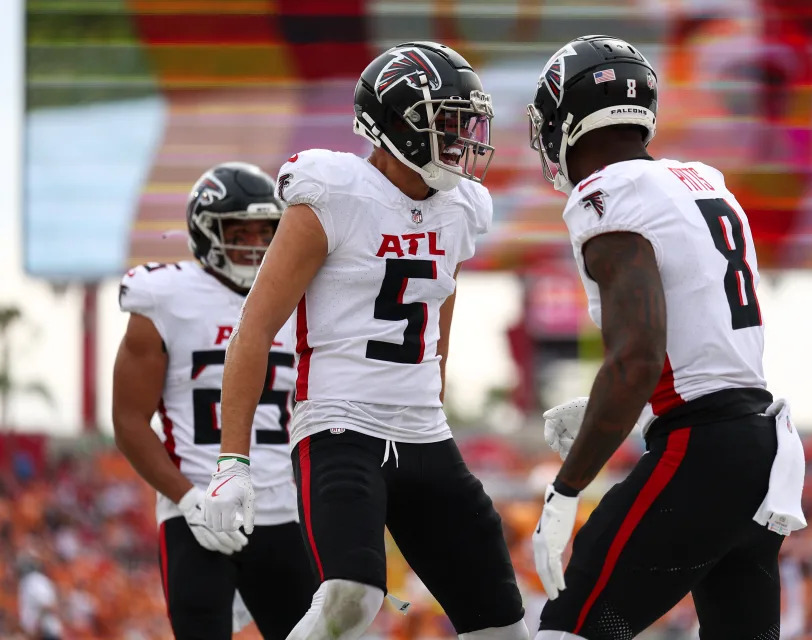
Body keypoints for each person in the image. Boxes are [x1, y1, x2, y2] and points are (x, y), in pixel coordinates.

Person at [202, 41, 528, 640]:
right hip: (339, 425)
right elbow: (254, 328)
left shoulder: (460, 209)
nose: (462, 139)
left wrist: (433, 408)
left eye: (464, 123)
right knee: (351, 597)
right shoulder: (333, 192)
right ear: (397, 125)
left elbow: (437, 335)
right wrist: (232, 462)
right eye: (446, 123)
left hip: (425, 430)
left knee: (504, 627)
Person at [525, 35, 807, 639]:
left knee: (572, 629)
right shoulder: (704, 180)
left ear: (568, 120)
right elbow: (693, 346)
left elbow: (637, 355)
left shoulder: (607, 194)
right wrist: (621, 405)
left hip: (701, 455)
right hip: (761, 450)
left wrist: (564, 488)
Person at [112, 162, 317, 640]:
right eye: (238, 231)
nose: (254, 244)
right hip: (197, 509)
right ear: (205, 231)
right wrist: (186, 499)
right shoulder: (164, 295)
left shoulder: (302, 294)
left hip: (281, 510)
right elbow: (128, 420)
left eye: (265, 231)